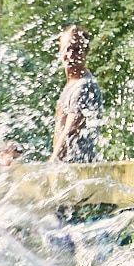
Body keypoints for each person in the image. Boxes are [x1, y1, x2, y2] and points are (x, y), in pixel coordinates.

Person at [49, 24, 103, 163]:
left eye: (77, 49)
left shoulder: (84, 86)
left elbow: (71, 131)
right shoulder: (71, 85)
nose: (71, 55)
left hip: (76, 167)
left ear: (86, 52)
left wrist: (50, 167)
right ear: (60, 51)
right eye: (67, 48)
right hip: (68, 167)